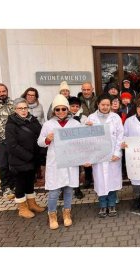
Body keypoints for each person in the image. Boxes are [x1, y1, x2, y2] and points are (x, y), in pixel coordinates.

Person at [38, 94, 81, 230]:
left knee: (69, 190)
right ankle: (52, 215)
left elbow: (83, 141)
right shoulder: (48, 124)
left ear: (68, 110)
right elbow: (39, 142)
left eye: (64, 109)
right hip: (55, 162)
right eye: (58, 109)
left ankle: (67, 213)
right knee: (54, 191)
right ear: (54, 111)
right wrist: (47, 139)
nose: (61, 112)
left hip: (70, 161)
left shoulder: (75, 123)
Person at [5, 98, 45, 218]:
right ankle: (22, 208)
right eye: (20, 108)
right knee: (20, 184)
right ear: (15, 110)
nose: (23, 110)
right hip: (19, 160)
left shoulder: (33, 120)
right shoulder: (11, 124)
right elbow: (12, 145)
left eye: (25, 108)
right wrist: (28, 156)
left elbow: (41, 134)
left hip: (32, 159)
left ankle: (31, 203)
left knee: (30, 182)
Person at [86, 94, 124, 218]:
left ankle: (112, 204)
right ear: (98, 104)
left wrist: (117, 153)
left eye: (108, 105)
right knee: (101, 181)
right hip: (98, 157)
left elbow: (120, 136)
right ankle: (102, 205)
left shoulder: (115, 117)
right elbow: (86, 139)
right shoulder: (91, 118)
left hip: (112, 156)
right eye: (103, 104)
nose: (105, 107)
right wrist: (87, 127)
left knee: (112, 181)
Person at [0, 83, 15, 199]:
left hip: (14, 140)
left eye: (3, 91)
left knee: (14, 163)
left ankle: (14, 186)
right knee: (3, 165)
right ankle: (6, 188)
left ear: (7, 91)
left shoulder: (12, 103)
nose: (1, 94)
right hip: (0, 142)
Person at [68, 96, 88, 200]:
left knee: (78, 169)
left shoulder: (83, 117)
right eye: (72, 106)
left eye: (77, 106)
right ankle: (65, 190)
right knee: (66, 169)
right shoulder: (65, 116)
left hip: (79, 147)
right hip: (67, 148)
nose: (75, 108)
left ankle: (77, 189)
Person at [78, 82, 97, 188]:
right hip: (84, 133)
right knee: (86, 156)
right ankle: (88, 178)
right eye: (84, 90)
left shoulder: (97, 100)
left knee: (96, 153)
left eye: (88, 89)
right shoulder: (77, 101)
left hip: (96, 132)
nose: (86, 92)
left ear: (92, 89)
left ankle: (97, 177)